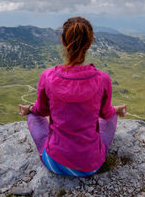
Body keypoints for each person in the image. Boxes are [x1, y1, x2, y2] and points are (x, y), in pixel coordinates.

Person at [19, 16, 127, 177]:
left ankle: (49, 140)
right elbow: (105, 114)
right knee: (111, 117)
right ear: (89, 44)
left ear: (63, 42)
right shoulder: (103, 79)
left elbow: (41, 111)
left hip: (55, 163)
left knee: (32, 116)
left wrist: (28, 109)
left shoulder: (47, 76)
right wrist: (116, 110)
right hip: (91, 165)